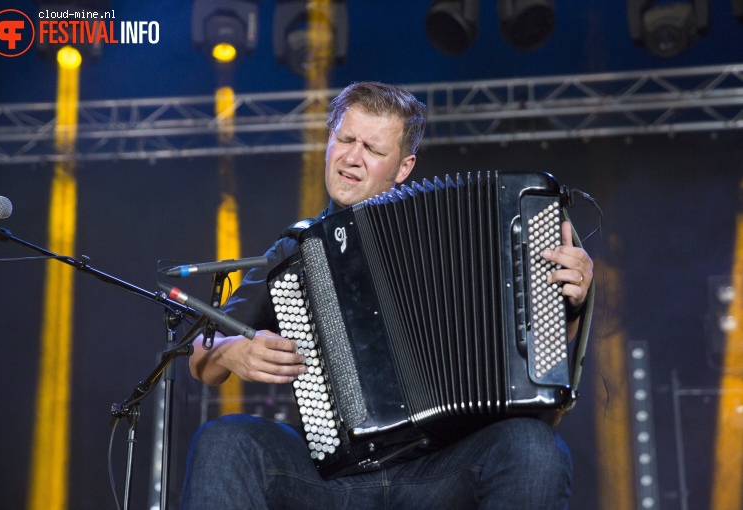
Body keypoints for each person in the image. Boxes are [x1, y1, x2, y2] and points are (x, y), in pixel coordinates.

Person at [180, 82, 594, 509]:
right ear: (328, 142)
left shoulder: (465, 235)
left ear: (403, 166)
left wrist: (571, 300)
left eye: (373, 150)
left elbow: (542, 363)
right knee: (224, 440)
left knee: (533, 445)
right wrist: (231, 353)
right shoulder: (295, 251)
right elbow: (200, 355)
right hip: (333, 478)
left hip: (440, 472)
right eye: (345, 139)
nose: (352, 158)